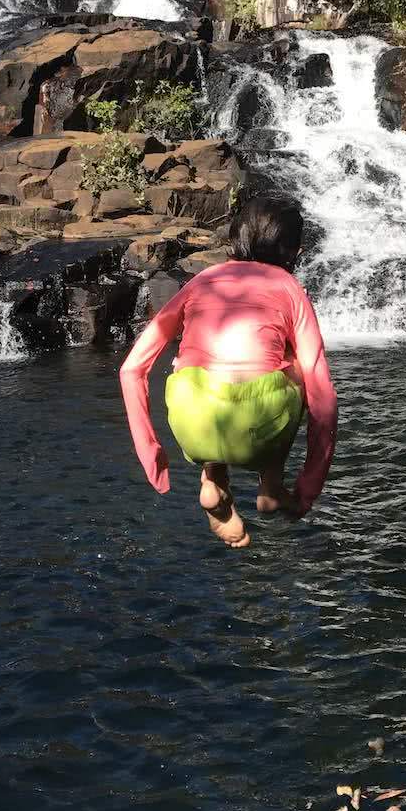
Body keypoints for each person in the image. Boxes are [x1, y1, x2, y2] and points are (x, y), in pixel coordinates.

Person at [118, 193, 338, 549]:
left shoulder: (200, 281)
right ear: (295, 251)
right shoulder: (290, 288)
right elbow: (322, 393)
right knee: (296, 364)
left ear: (236, 237)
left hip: (193, 424)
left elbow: (132, 369)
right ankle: (271, 485)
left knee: (189, 363)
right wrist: (309, 486)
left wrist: (152, 455)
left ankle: (213, 479)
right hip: (260, 430)